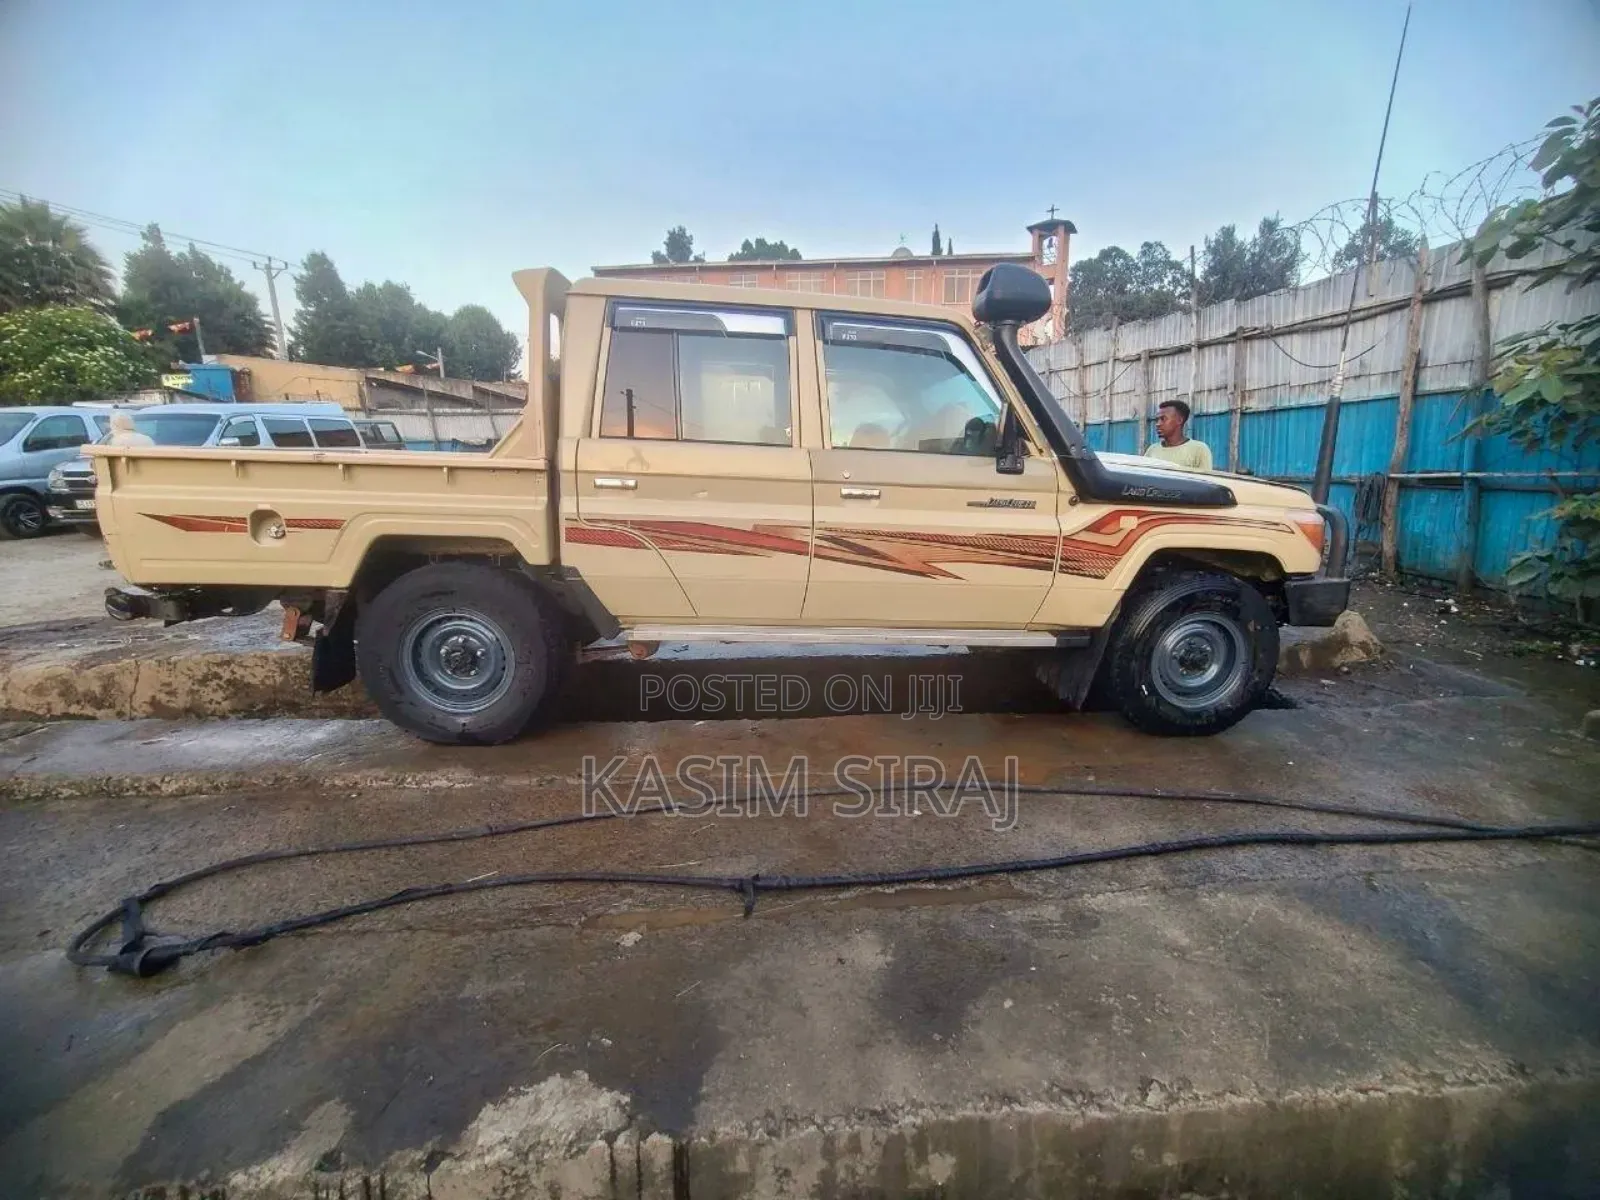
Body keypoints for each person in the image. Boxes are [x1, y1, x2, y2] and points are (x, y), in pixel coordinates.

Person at [1145, 399, 1213, 471]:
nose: (1158, 424)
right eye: (1157, 420)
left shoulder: (1199, 450)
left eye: (1163, 419)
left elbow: (1205, 477)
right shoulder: (1152, 450)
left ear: (1179, 420)